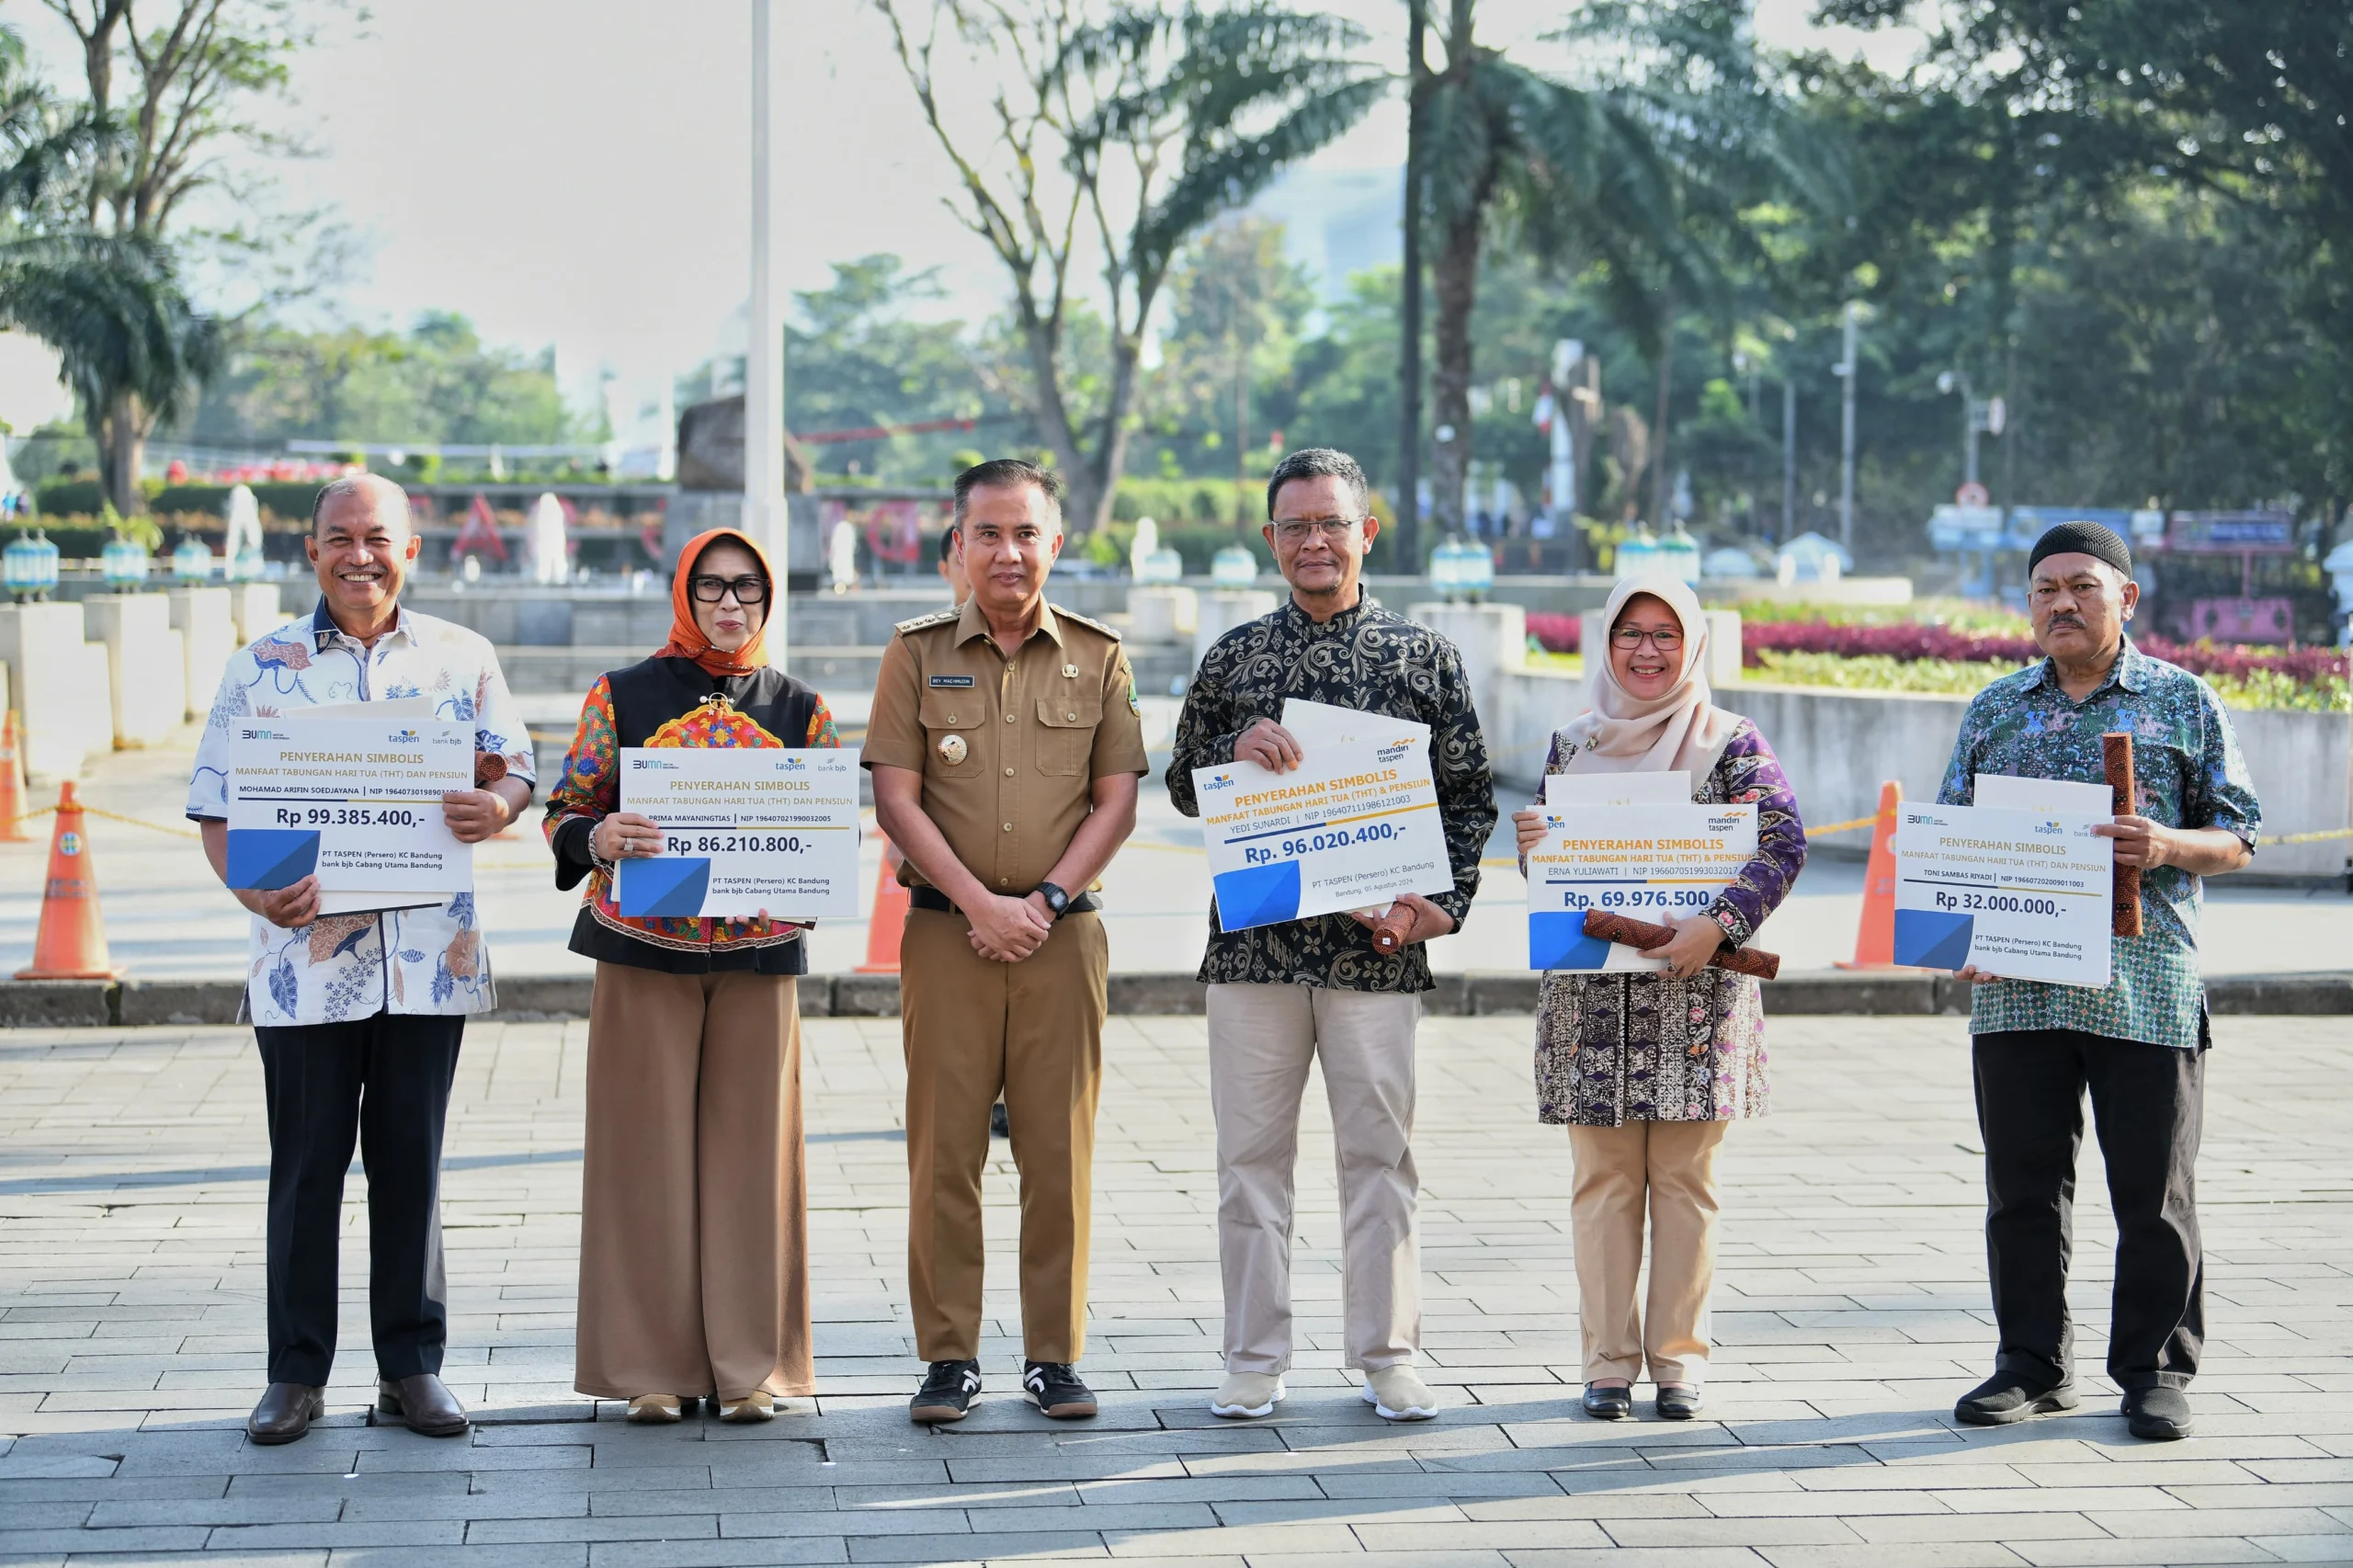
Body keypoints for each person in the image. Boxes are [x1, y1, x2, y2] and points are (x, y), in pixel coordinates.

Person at [186, 473, 535, 1445]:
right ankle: (295, 1374)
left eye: (377, 537)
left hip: (429, 956)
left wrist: (496, 805)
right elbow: (219, 810)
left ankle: (411, 1366)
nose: (359, 555)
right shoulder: (262, 666)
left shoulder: (462, 658)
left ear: (410, 548)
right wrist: (258, 889)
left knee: (410, 1163)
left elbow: (515, 769)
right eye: (339, 537)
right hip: (305, 961)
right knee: (305, 1166)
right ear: (310, 549)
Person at [1166, 447, 1496, 1424]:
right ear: (1270, 540)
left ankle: (1387, 1350)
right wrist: (1228, 748)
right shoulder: (1232, 657)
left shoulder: (1422, 657)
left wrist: (1441, 902)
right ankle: (1252, 1354)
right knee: (1249, 1159)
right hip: (1255, 944)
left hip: (1376, 952)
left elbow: (1468, 794)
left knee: (1380, 1156)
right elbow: (1183, 780)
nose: (1315, 540)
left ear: (1367, 531)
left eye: (1331, 523)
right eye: (1295, 525)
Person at [1941, 521, 2259, 1442]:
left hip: (2144, 983)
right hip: (2016, 988)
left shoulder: (2180, 701)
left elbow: (2237, 834)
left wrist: (2163, 844)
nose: (2061, 603)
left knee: (2154, 1192)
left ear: (2125, 597)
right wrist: (1956, 928)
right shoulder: (1994, 708)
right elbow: (1950, 839)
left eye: (2081, 584)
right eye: (2044, 588)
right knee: (2021, 1188)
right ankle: (2029, 1363)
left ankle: (2155, 1371)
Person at [864, 459, 1148, 1424]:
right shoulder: (915, 653)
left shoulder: (1100, 655)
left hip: (1063, 938)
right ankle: (947, 1356)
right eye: (987, 532)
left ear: (1055, 544)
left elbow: (1118, 798)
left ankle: (1053, 1354)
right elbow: (895, 797)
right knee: (942, 1151)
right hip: (948, 934)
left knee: (1056, 1151)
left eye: (1026, 533)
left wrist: (1047, 897)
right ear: (957, 546)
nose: (1008, 551)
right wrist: (979, 901)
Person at [543, 528, 834, 1425]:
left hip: (756, 957)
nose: (729, 603)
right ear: (683, 591)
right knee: (643, 1158)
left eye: (747, 587)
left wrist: (813, 863)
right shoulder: (623, 694)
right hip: (644, 952)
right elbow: (568, 806)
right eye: (710, 586)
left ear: (768, 597)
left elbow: (823, 835)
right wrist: (599, 837)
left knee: (755, 1159)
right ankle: (650, 1366)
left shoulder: (800, 708)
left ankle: (750, 1366)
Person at [1509, 574, 1805, 1422]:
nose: (1646, 650)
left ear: (1695, 645)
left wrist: (1717, 924)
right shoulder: (1574, 742)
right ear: (1604, 643)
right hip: (1593, 1002)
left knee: (1684, 1179)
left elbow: (1783, 842)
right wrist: (1536, 846)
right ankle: (1606, 1362)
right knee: (1602, 1181)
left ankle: (1677, 1361)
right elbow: (1561, 874)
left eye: (1665, 634)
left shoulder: (1729, 740)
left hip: (1694, 996)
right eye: (1629, 633)